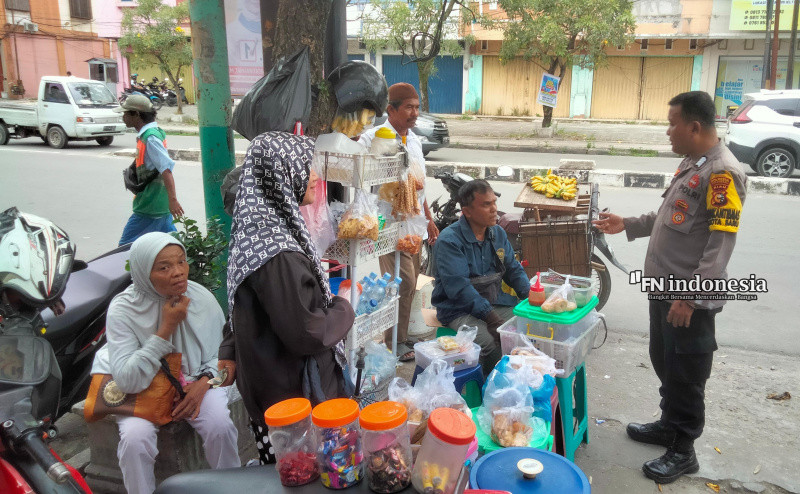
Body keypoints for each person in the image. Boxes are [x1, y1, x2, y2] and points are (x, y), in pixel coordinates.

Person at [593, 91, 746, 485]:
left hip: (687, 297)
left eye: (672, 124)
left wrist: (690, 298)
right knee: (665, 360)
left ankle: (684, 449)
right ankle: (668, 425)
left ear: (694, 127)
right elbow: (670, 215)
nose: (667, 131)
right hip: (664, 290)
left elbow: (719, 245)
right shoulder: (693, 162)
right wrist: (628, 223)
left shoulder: (723, 174)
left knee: (687, 372)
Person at [218, 131, 356, 465]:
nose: (315, 176)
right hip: (294, 403)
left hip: (276, 389)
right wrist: (344, 307)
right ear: (281, 175)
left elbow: (240, 303)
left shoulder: (257, 232)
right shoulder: (278, 253)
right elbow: (308, 333)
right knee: (309, 474)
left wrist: (228, 350)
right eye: (306, 166)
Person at [90, 232, 240, 494]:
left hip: (196, 378)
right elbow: (127, 380)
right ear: (143, 272)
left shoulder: (200, 298)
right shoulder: (124, 309)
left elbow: (223, 358)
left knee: (220, 426)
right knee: (135, 440)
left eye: (181, 261)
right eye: (164, 267)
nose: (178, 272)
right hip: (142, 387)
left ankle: (234, 489)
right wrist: (166, 328)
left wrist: (204, 383)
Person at [358, 82, 439, 362]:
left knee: (410, 282)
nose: (414, 113)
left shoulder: (414, 140)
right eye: (408, 108)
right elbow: (360, 178)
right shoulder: (372, 138)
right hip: (388, 224)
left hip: (413, 226)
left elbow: (420, 187)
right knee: (401, 282)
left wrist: (429, 219)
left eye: (417, 108)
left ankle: (400, 335)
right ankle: (395, 341)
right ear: (390, 110)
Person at [431, 179, 530, 375]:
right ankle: (490, 387)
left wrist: (531, 297)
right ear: (467, 211)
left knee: (528, 328)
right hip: (457, 309)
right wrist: (490, 317)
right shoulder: (449, 241)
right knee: (492, 342)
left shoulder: (497, 233)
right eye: (486, 204)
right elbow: (460, 289)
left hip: (493, 302)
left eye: (494, 202)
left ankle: (518, 381)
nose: (494, 209)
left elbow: (513, 269)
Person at [115, 94, 184, 246]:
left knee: (124, 247)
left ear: (136, 114)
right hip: (157, 205)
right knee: (171, 245)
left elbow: (166, 169)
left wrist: (173, 200)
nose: (123, 117)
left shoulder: (150, 138)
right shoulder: (150, 134)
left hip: (150, 207)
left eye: (125, 113)